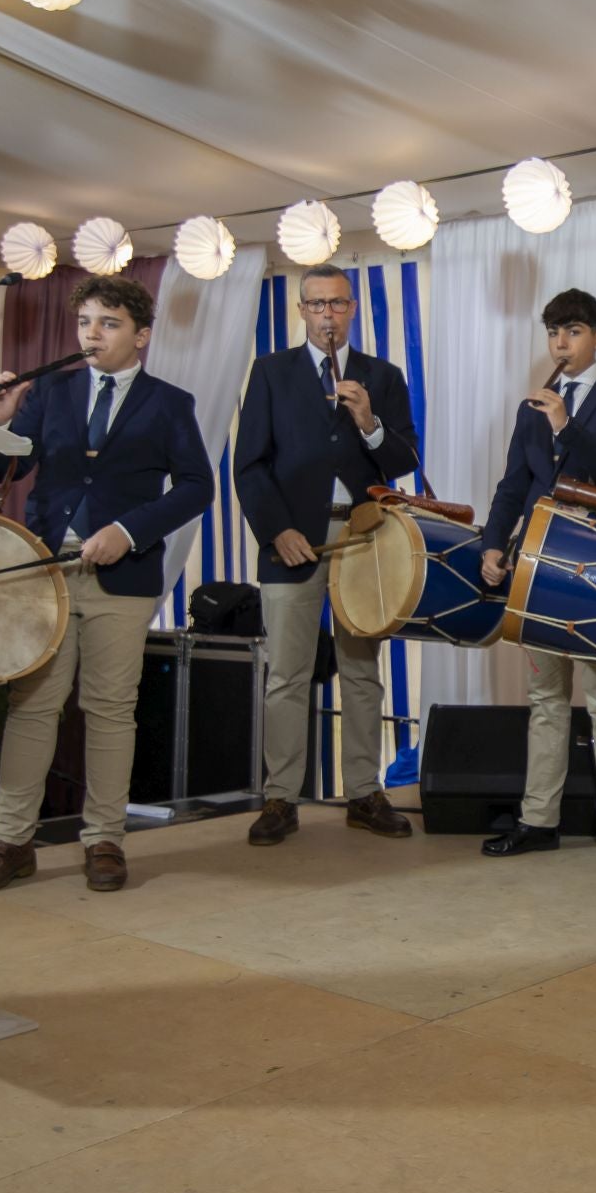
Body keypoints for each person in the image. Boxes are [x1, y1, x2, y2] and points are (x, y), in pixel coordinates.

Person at [0, 274, 213, 893]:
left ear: (142, 336)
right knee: (33, 707)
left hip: (121, 577)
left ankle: (104, 838)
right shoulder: (51, 390)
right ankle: (10, 839)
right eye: (84, 323)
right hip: (44, 571)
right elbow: (9, 466)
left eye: (108, 323)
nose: (92, 334)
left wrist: (129, 530)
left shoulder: (169, 402)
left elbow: (196, 488)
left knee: (109, 710)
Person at [234, 265, 419, 846]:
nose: (327, 315)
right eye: (316, 305)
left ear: (353, 310)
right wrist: (276, 530)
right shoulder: (270, 373)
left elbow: (404, 458)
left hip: (364, 541)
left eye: (337, 305)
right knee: (286, 675)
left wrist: (369, 423)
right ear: (302, 311)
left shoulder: (382, 377)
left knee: (362, 674)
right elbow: (249, 465)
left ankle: (363, 791)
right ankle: (280, 798)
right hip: (292, 542)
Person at [476, 289, 596, 873]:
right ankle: (538, 820)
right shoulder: (533, 407)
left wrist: (565, 423)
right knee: (547, 699)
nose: (560, 342)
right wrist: (495, 543)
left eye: (572, 331)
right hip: (537, 562)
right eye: (553, 331)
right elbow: (512, 485)